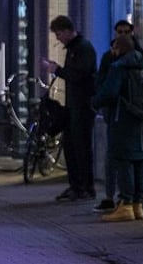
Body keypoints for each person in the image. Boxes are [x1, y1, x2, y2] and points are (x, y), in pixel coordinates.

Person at [91, 35, 143, 222]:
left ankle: (126, 205)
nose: (112, 51)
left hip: (122, 118)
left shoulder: (118, 67)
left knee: (123, 160)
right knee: (139, 160)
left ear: (120, 49)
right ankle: (139, 205)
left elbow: (109, 93)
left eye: (114, 47)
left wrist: (95, 101)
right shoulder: (142, 66)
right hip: (141, 120)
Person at [42, 15, 97, 201]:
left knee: (81, 148)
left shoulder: (82, 48)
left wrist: (57, 70)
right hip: (74, 105)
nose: (58, 39)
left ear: (67, 30)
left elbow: (79, 75)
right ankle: (77, 186)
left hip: (83, 106)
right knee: (71, 147)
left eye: (58, 34)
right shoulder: (75, 48)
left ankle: (85, 187)